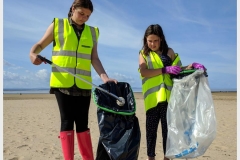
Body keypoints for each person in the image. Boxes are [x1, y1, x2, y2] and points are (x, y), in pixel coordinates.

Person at [29, 0, 117, 160]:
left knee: (83, 123)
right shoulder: (58, 25)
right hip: (62, 82)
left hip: (83, 84)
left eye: (88, 16)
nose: (84, 18)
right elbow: (40, 45)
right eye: (81, 13)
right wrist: (33, 54)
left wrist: (104, 77)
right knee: (67, 121)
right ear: (72, 9)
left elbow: (94, 58)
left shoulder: (93, 32)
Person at [138, 24, 205, 160]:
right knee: (151, 132)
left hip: (169, 99)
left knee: (168, 132)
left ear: (161, 39)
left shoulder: (169, 51)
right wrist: (164, 70)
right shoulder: (144, 54)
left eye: (156, 40)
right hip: (152, 100)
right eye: (149, 41)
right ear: (145, 40)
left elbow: (178, 69)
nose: (153, 43)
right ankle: (150, 158)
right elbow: (144, 72)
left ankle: (166, 158)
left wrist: (192, 65)